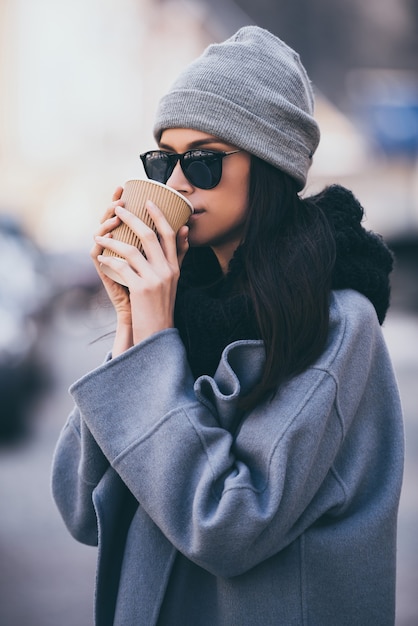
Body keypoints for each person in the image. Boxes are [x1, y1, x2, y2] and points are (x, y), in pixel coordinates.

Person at [51, 26, 404, 626]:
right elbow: (83, 509)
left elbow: (228, 526)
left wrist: (156, 340)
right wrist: (132, 323)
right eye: (163, 159)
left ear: (267, 164)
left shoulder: (340, 320)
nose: (178, 182)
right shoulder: (181, 302)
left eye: (206, 161)